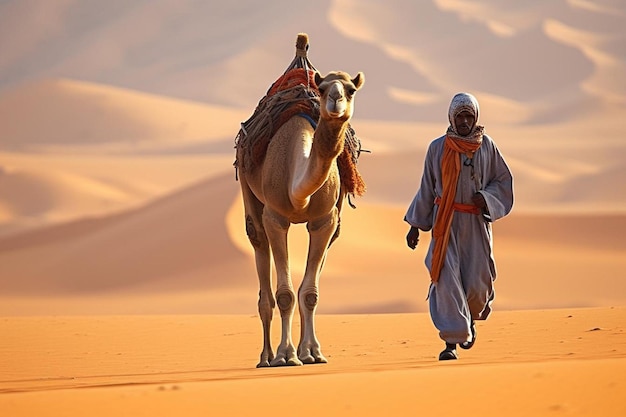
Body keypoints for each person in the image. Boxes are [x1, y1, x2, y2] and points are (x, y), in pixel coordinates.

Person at [404, 92, 513, 360]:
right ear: (451, 118)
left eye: (468, 116)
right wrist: (415, 225)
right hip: (446, 224)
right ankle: (451, 342)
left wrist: (486, 198)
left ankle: (469, 322)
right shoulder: (437, 148)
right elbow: (427, 188)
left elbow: (502, 181)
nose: (464, 121)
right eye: (459, 116)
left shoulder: (487, 146)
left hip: (475, 224)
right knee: (446, 279)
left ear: (475, 118)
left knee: (477, 285)